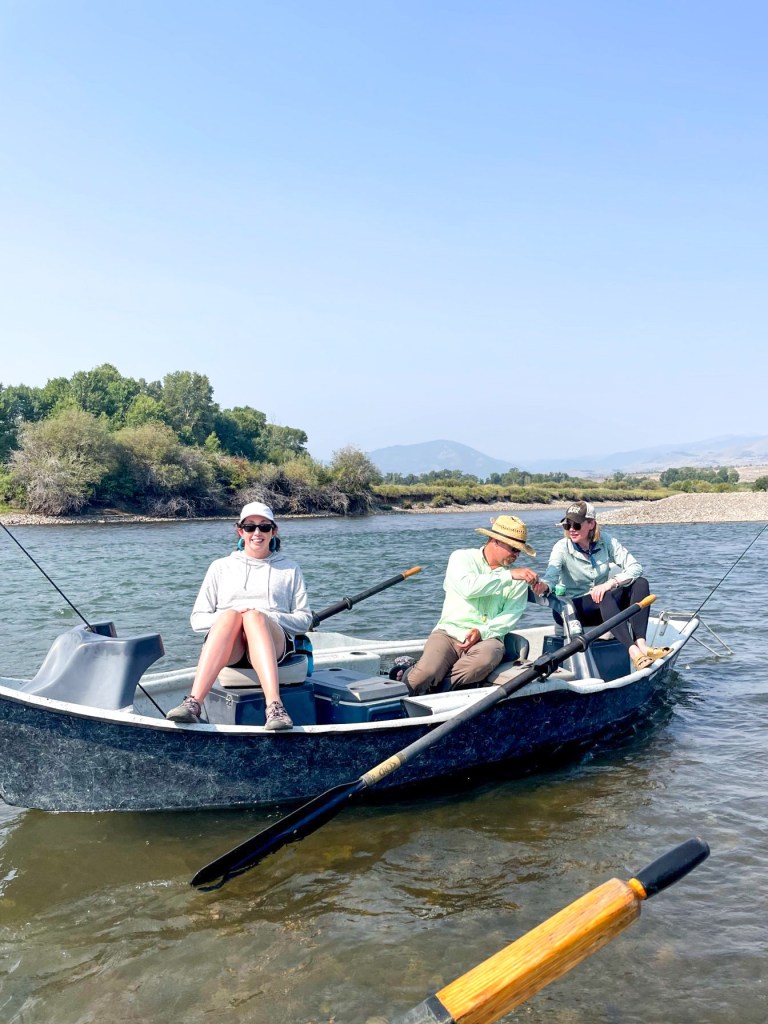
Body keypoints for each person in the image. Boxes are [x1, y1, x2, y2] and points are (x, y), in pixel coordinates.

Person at [166, 501, 312, 729]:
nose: (257, 533)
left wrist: (265, 615)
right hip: (231, 648)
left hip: (273, 644)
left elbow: (304, 619)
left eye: (264, 527)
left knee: (254, 618)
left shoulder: (290, 568)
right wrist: (234, 614)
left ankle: (275, 707)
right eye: (250, 527)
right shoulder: (220, 567)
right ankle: (193, 702)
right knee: (230, 616)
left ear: (274, 531)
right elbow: (197, 620)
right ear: (240, 531)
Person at [394, 515, 541, 696]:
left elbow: (510, 616)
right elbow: (468, 588)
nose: (516, 555)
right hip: (448, 633)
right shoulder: (461, 558)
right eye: (513, 549)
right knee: (423, 676)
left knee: (481, 663)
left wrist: (482, 632)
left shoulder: (518, 579)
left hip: (488, 638)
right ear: (495, 541)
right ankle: (413, 675)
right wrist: (508, 575)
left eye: (520, 551)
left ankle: (435, 689)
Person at [536, 501, 665, 671]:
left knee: (641, 583)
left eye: (576, 524)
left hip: (604, 604)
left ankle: (641, 644)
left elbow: (635, 567)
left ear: (591, 524)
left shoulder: (606, 541)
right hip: (572, 609)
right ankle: (633, 652)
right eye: (567, 525)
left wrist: (611, 583)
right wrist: (542, 586)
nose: (571, 529)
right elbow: (550, 578)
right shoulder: (561, 548)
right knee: (604, 595)